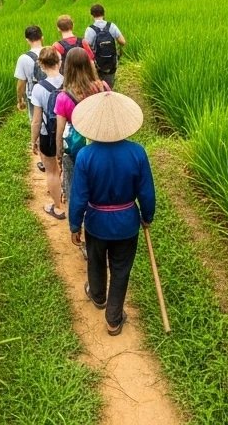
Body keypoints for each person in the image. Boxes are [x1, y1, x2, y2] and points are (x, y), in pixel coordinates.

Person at [68, 91, 154, 336]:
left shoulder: (85, 156)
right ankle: (114, 319)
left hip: (96, 222)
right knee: (121, 269)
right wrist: (147, 216)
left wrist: (75, 224)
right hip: (126, 223)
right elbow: (146, 192)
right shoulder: (137, 152)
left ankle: (97, 296)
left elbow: (79, 197)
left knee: (95, 260)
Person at [55, 46, 110, 224]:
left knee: (75, 188)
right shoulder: (103, 87)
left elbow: (61, 130)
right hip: (102, 142)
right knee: (101, 186)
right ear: (89, 64)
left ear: (67, 67)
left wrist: (58, 154)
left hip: (77, 149)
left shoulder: (64, 97)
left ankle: (78, 224)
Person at [29, 47, 67, 219]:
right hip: (68, 132)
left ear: (42, 66)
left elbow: (36, 120)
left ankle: (57, 207)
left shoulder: (38, 88)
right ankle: (67, 193)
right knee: (68, 166)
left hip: (48, 134)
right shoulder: (68, 82)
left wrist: (33, 140)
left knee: (52, 171)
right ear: (59, 62)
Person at [14, 25, 46, 165]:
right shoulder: (51, 52)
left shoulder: (24, 58)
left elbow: (21, 82)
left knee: (36, 122)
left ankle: (43, 158)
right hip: (53, 93)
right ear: (42, 37)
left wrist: (19, 99)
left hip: (33, 96)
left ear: (27, 40)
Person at [83, 4, 126, 89]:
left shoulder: (90, 29)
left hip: (97, 63)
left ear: (92, 15)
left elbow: (86, 47)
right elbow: (123, 42)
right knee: (109, 86)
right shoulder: (112, 26)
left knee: (97, 86)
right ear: (104, 14)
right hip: (111, 62)